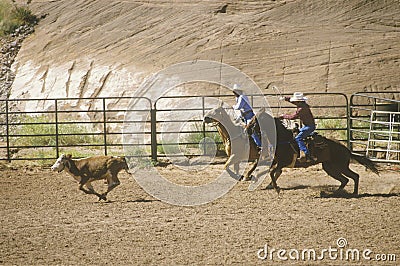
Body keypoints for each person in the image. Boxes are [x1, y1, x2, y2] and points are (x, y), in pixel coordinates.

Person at [280, 92, 316, 162]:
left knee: (298, 138)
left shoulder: (301, 109)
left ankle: (306, 154)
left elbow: (293, 117)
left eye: (295, 101)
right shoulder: (302, 105)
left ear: (298, 101)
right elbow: (292, 100)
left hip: (309, 127)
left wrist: (283, 116)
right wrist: (285, 98)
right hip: (308, 125)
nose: (294, 102)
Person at [232, 84, 262, 149]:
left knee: (251, 130)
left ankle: (259, 145)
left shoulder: (242, 97)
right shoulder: (239, 98)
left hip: (249, 116)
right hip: (245, 117)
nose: (235, 93)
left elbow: (239, 107)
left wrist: (233, 106)